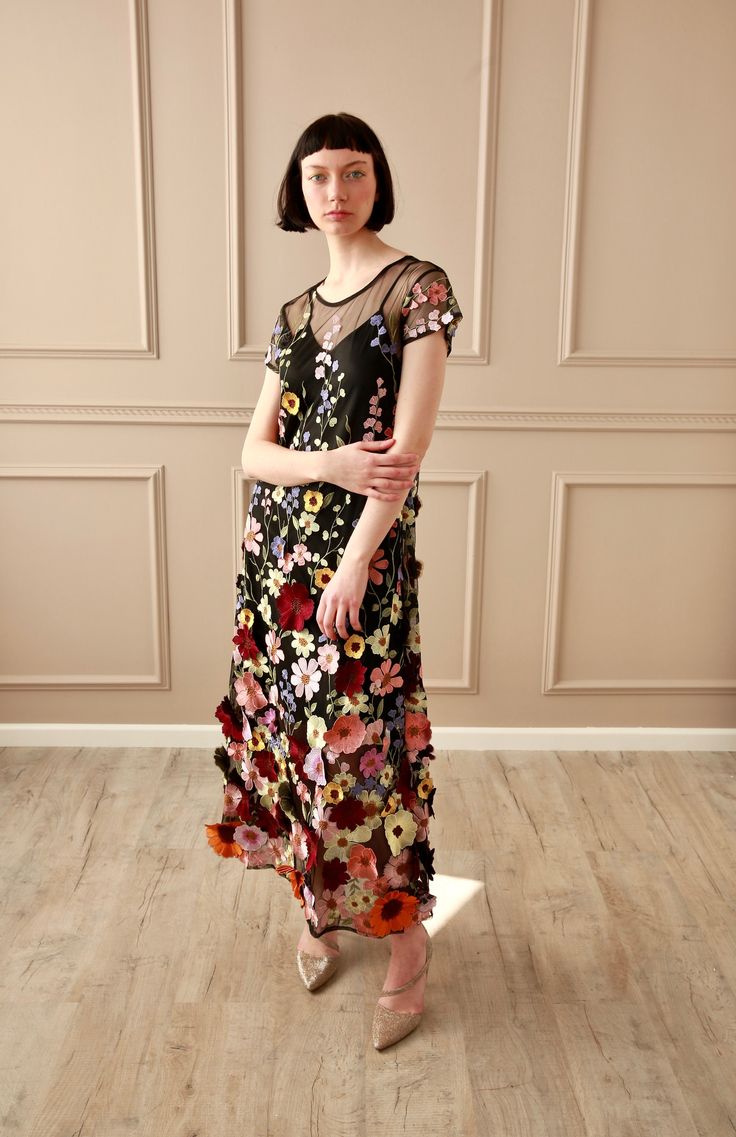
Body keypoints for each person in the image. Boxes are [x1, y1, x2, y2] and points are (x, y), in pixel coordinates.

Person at [205, 111, 463, 1049]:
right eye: (319, 175)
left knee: (371, 760)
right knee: (296, 750)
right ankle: (317, 908)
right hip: (275, 566)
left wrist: (356, 557)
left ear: (376, 180)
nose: (336, 191)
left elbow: (408, 453)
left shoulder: (419, 289)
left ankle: (405, 948)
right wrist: (324, 464)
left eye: (353, 172)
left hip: (358, 565)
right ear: (299, 188)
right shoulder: (293, 314)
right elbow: (251, 453)